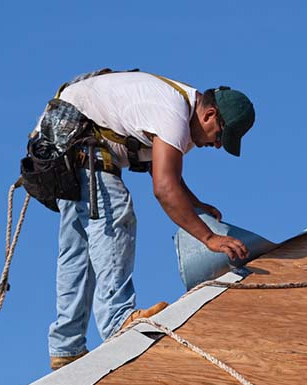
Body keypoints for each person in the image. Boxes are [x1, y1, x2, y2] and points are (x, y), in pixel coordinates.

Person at [39, 70, 255, 369]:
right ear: (209, 114)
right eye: (220, 135)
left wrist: (195, 204)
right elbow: (164, 188)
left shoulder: (178, 110)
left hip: (64, 139)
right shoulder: (173, 113)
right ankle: (118, 319)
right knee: (115, 216)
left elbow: (165, 174)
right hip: (81, 142)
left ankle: (67, 345)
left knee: (78, 250)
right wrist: (209, 238)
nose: (217, 145)